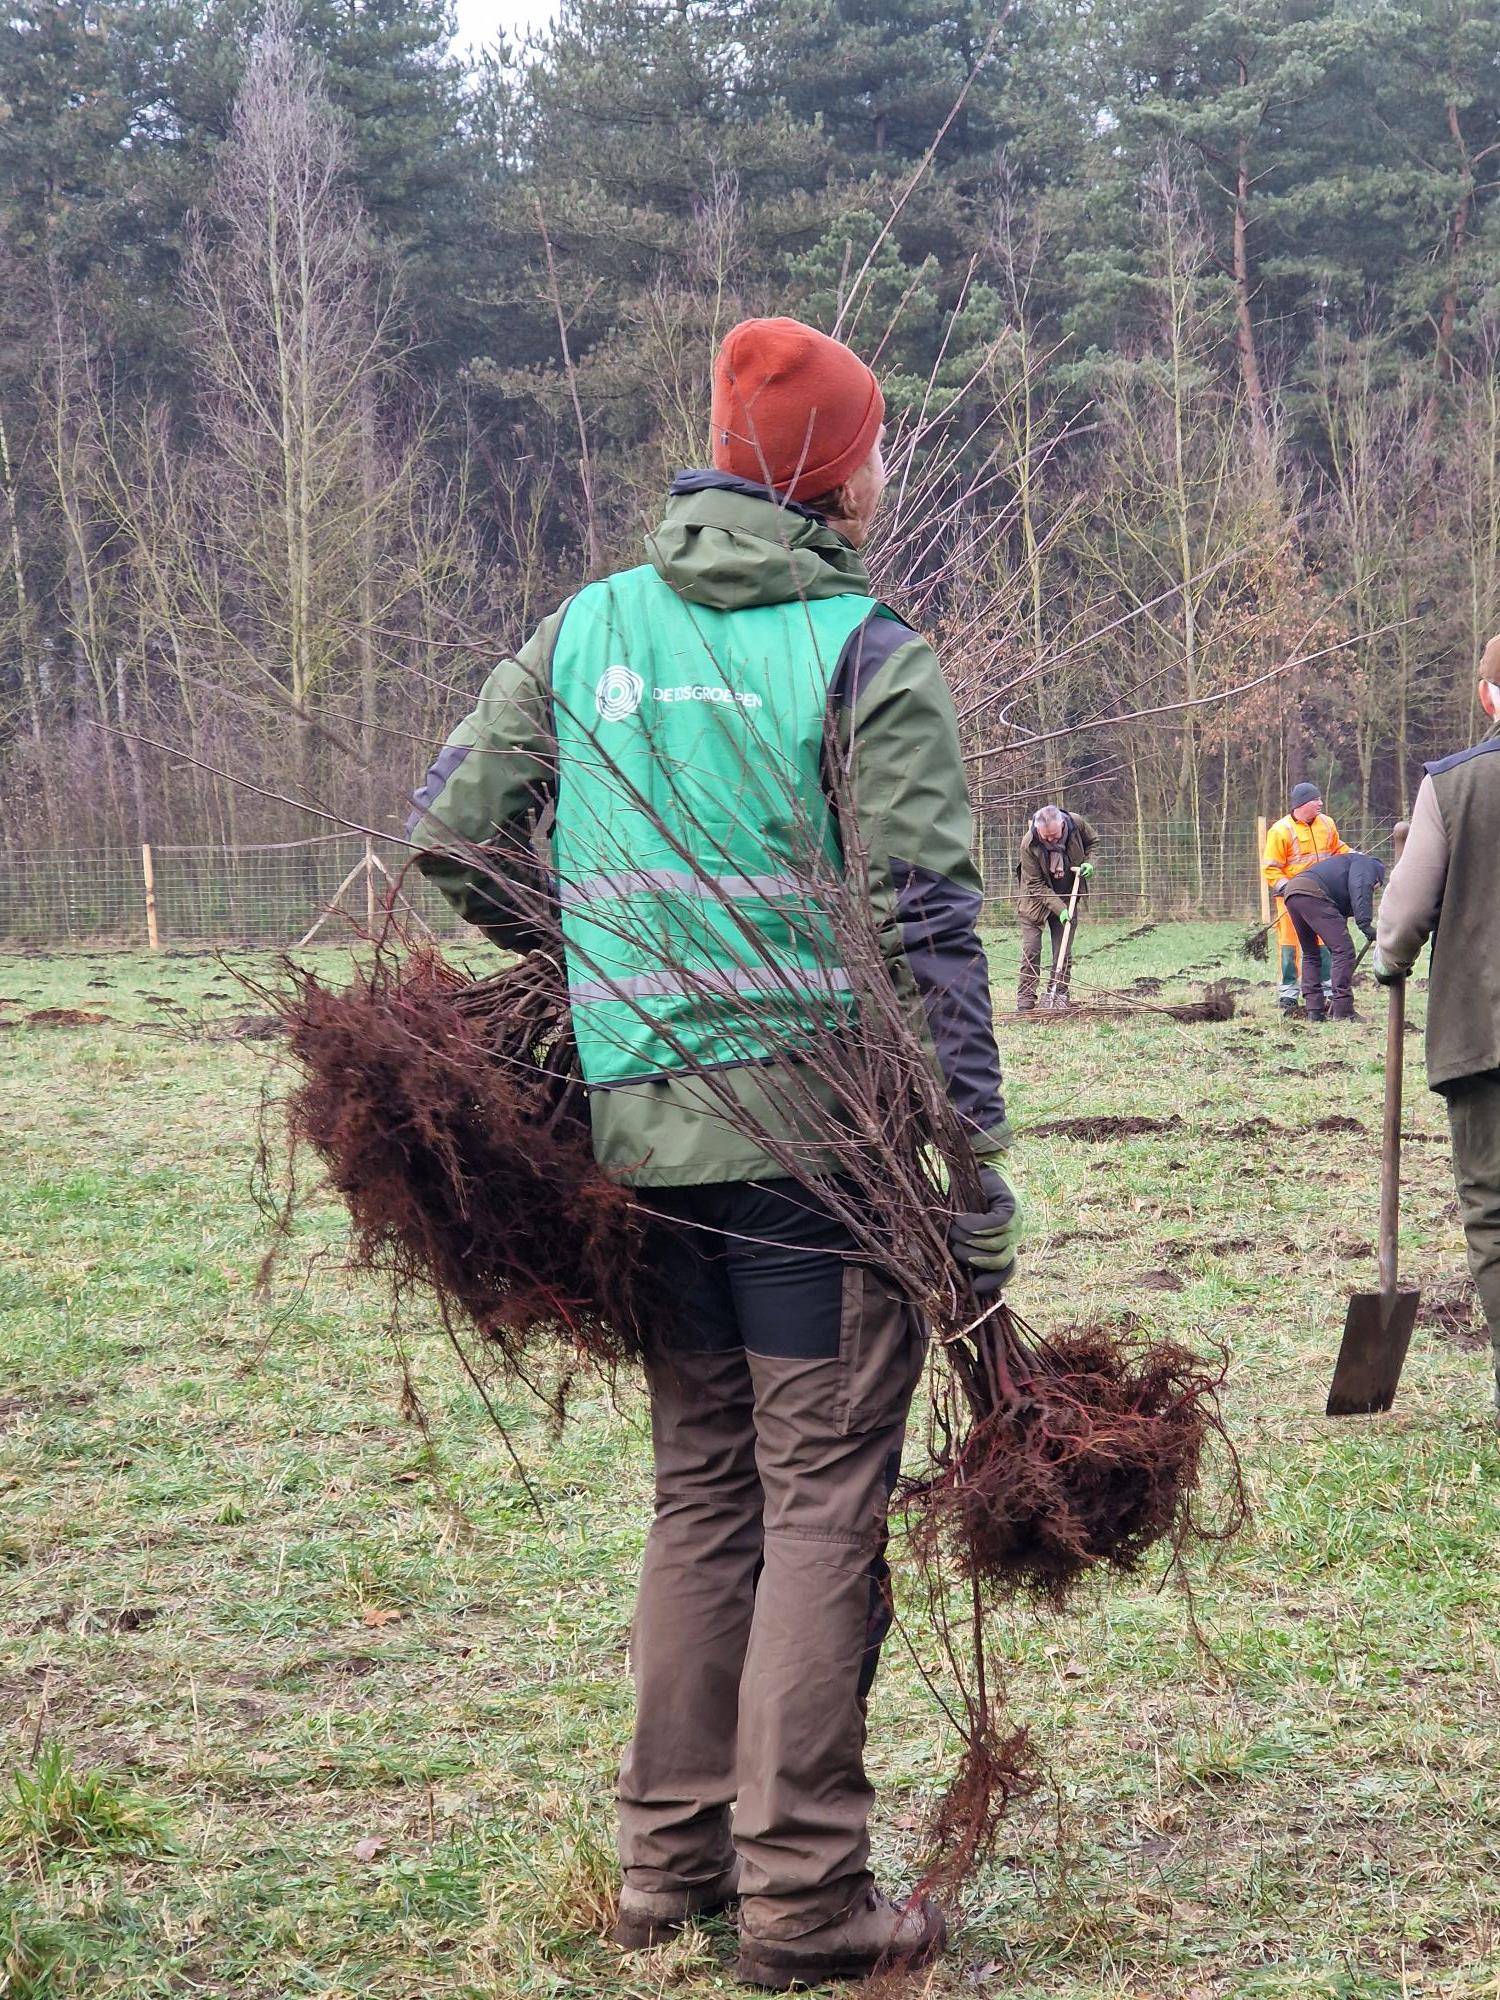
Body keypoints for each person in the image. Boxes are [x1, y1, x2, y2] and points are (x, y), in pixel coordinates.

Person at [406, 317, 1019, 1989]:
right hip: (816, 1157)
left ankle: (666, 1869)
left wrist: (592, 962)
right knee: (822, 1495)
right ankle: (806, 1900)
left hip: (643, 1142)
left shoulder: (586, 628)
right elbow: (930, 941)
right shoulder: (862, 648)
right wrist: (975, 1185)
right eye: (874, 443)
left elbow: (448, 838)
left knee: (703, 1490)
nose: (884, 468)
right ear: (830, 471)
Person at [1376, 657, 1500, 1417]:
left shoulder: (1453, 785)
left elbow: (1405, 913)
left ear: (1487, 694)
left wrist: (1390, 960)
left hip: (1485, 1034)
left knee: (1493, 1207)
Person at [1262, 783, 1347, 1013]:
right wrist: (1289, 888)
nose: (1320, 803)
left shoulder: (1327, 824)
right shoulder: (1280, 831)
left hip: (1321, 897)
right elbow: (1270, 868)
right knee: (1290, 945)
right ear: (1302, 804)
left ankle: (1327, 989)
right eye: (1315, 800)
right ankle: (1288, 994)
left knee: (1324, 942)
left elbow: (1338, 850)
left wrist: (1357, 860)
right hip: (1291, 900)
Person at [1278, 850, 1386, 1022]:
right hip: (1312, 892)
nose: (1374, 888)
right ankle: (1343, 1010)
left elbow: (1340, 906)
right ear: (1377, 878)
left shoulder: (1345, 866)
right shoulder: (1367, 865)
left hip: (1293, 892)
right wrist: (1366, 926)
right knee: (1343, 951)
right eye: (1376, 886)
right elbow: (1361, 890)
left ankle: (1314, 1009)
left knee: (1311, 953)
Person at [1015, 805, 1097, 1012]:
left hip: (1068, 894)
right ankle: (1025, 1001)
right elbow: (1035, 885)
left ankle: (1058, 995)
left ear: (1062, 825)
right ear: (1037, 828)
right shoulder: (1029, 843)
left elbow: (1093, 843)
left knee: (1063, 951)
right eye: (1046, 836)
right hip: (1035, 900)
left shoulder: (1076, 824)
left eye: (1054, 835)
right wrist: (1059, 909)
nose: (1050, 840)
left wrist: (1090, 863)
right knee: (1031, 949)